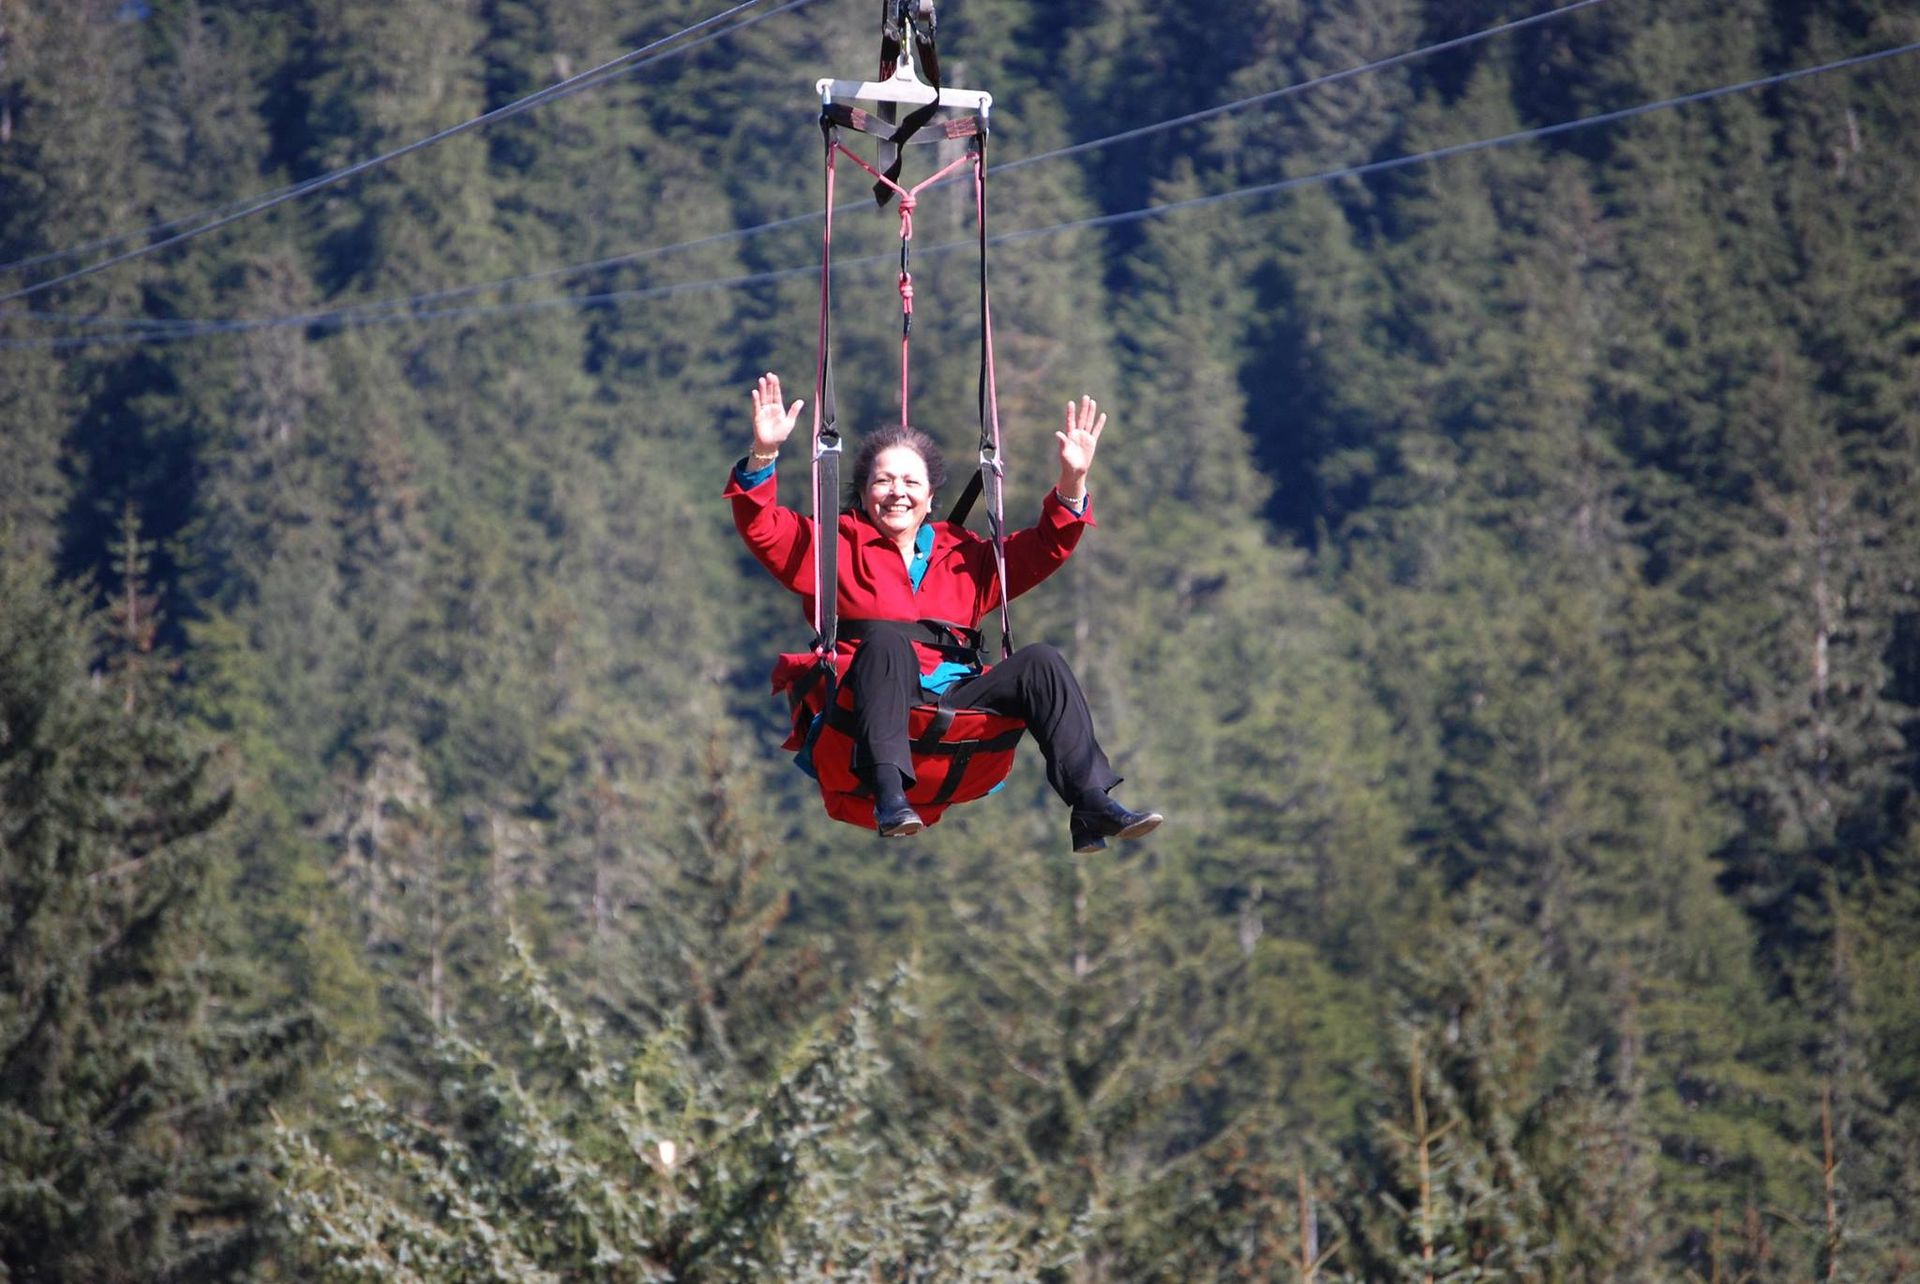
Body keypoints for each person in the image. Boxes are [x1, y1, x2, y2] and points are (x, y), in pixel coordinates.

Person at [724, 372, 1162, 853]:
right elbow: (763, 527)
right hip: (866, 706)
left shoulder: (965, 555)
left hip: (952, 699)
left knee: (1042, 662)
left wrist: (1073, 481)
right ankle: (889, 793)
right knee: (887, 642)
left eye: (911, 482)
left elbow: (1046, 546)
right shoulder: (831, 547)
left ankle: (1091, 800)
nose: (897, 492)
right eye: (883, 481)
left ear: (930, 497)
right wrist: (763, 454)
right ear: (863, 494)